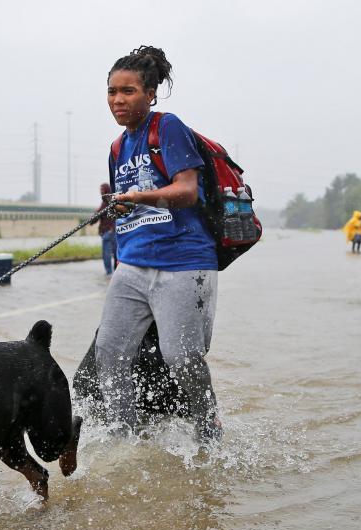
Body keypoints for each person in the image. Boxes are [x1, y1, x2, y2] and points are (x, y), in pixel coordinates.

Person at [94, 45, 221, 442]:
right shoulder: (117, 147)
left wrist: (135, 197)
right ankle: (125, 441)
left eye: (128, 91)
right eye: (112, 91)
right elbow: (131, 206)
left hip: (183, 262)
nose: (118, 100)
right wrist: (119, 208)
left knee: (181, 359)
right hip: (131, 266)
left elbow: (185, 191)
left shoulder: (166, 128)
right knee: (109, 355)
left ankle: (208, 432)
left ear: (150, 93)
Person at [96, 182, 118, 275]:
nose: (101, 192)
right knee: (115, 252)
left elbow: (98, 215)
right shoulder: (107, 202)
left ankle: (109, 272)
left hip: (109, 232)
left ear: (106, 190)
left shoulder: (108, 202)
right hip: (111, 231)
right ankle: (114, 272)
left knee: (107, 253)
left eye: (102, 189)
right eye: (100, 189)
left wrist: (112, 229)